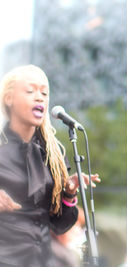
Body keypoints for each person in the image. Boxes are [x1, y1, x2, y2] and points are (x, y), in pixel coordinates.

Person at [0, 65, 100, 267]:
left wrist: (69, 195)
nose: (39, 98)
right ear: (9, 99)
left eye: (44, 93)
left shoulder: (52, 156)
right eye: (30, 91)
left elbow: (60, 226)